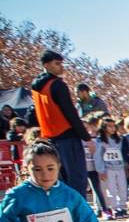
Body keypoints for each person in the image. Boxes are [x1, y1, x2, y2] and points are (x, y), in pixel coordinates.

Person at [30, 50, 92, 198]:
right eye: (57, 63)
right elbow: (70, 112)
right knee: (77, 179)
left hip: (50, 139)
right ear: (46, 65)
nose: (61, 67)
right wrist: (86, 137)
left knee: (58, 181)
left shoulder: (36, 88)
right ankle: (79, 215)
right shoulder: (57, 85)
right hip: (68, 136)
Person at [94, 117, 129, 218]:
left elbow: (123, 153)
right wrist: (100, 170)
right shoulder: (99, 141)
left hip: (120, 167)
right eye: (109, 126)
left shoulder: (119, 139)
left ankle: (122, 207)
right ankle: (114, 208)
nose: (112, 128)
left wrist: (125, 166)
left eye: (114, 126)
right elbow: (98, 156)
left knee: (122, 187)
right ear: (103, 127)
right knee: (112, 189)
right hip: (108, 168)